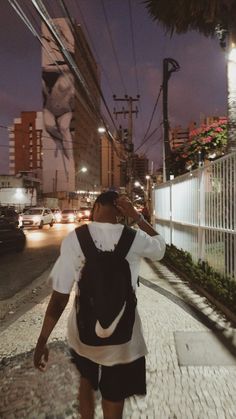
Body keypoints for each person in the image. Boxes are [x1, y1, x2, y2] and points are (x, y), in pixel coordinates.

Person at [34, 191, 165, 418]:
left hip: (84, 335)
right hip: (124, 337)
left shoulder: (75, 238)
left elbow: (59, 298)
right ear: (121, 212)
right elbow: (161, 248)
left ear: (95, 207)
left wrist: (42, 340)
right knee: (114, 395)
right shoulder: (133, 237)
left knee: (86, 383)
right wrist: (137, 217)